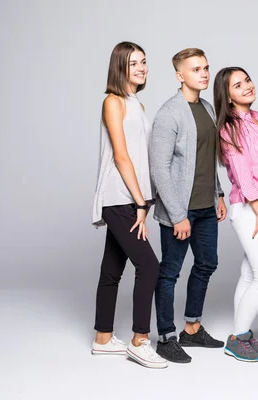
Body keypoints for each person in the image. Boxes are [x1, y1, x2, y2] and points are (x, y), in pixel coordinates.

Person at [91, 41, 168, 369]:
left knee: (111, 270)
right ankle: (140, 340)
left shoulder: (137, 103)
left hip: (132, 197)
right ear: (119, 67)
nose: (141, 68)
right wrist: (140, 202)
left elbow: (141, 156)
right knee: (150, 266)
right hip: (120, 197)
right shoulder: (113, 101)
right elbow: (121, 157)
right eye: (133, 63)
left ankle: (103, 339)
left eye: (144, 62)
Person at [149, 48, 227, 364]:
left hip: (206, 206)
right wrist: (178, 215)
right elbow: (159, 167)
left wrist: (219, 194)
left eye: (206, 67)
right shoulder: (170, 113)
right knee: (169, 272)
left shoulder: (207, 108)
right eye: (196, 69)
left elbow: (209, 157)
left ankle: (192, 329)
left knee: (207, 263)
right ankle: (166, 337)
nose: (204, 74)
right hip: (180, 211)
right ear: (180, 75)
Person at [213, 67, 258, 362]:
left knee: (249, 273)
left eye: (247, 80)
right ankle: (236, 338)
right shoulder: (229, 127)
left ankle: (242, 334)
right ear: (227, 96)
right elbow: (243, 175)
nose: (247, 87)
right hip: (248, 208)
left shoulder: (255, 119)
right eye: (237, 85)